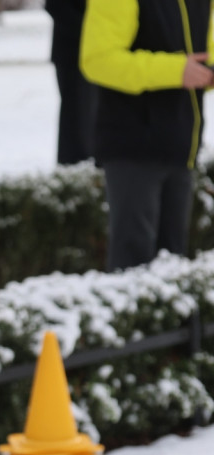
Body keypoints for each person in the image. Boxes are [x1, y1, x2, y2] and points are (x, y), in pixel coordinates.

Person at [80, 0, 214, 271]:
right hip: (132, 146)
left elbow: (205, 55)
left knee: (173, 265)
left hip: (182, 146)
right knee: (133, 264)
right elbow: (98, 60)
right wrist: (175, 70)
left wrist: (205, 73)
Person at [44, 0, 97, 165]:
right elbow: (55, 6)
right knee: (73, 111)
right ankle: (71, 165)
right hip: (70, 52)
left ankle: (91, 161)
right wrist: (90, 29)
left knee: (93, 110)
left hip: (98, 54)